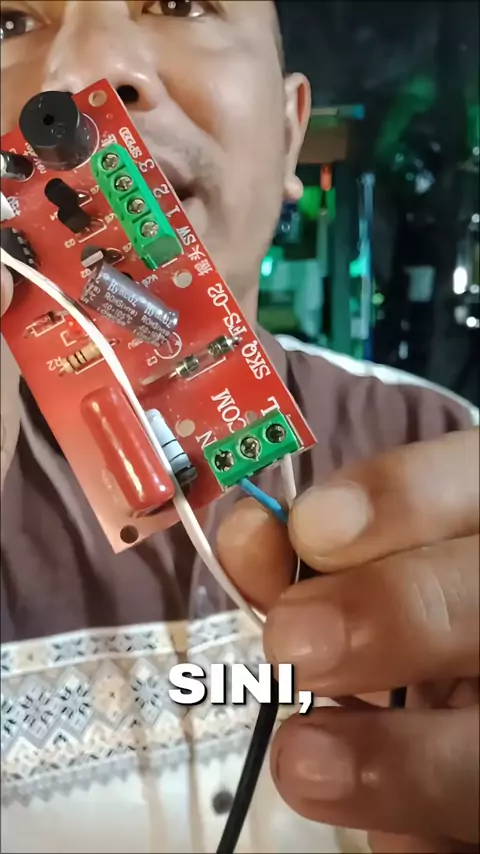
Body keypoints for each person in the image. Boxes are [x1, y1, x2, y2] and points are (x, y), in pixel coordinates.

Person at [0, 2, 478, 853]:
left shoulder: (441, 439)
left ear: (293, 134)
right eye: (5, 23)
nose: (82, 76)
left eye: (182, 2)